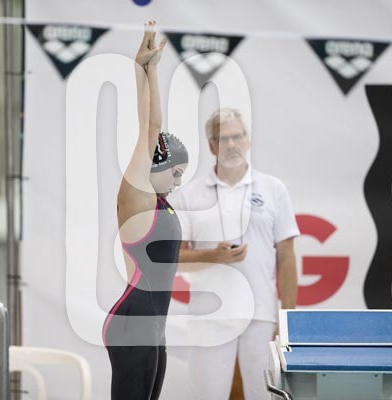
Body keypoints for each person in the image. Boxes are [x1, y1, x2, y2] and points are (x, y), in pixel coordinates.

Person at [169, 108, 299, 400]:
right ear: (211, 145)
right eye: (223, 139)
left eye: (237, 136)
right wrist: (214, 256)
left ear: (247, 140)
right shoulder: (190, 195)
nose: (232, 144)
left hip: (261, 314)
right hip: (209, 315)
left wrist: (288, 319)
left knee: (265, 395)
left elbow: (287, 257)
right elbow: (174, 259)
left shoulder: (273, 189)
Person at [102, 21, 189, 400]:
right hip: (134, 324)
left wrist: (150, 69)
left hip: (153, 326)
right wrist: (145, 69)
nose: (179, 182)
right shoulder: (136, 197)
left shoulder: (160, 203)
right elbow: (150, 126)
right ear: (155, 167)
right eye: (176, 173)